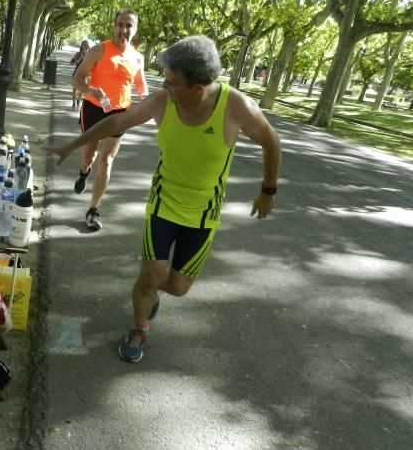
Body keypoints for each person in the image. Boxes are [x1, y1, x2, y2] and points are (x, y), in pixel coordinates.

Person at [49, 36, 281, 363]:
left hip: (203, 215)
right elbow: (118, 121)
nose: (164, 87)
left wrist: (268, 190)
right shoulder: (163, 101)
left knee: (177, 286)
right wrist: (72, 145)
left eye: (171, 83)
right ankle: (140, 326)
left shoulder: (236, 107)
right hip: (163, 204)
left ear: (197, 88)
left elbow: (271, 143)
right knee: (149, 276)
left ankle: (151, 294)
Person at [72, 9, 147, 230]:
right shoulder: (98, 50)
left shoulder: (137, 58)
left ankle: (93, 209)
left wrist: (146, 99)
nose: (123, 30)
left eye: (129, 26)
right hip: (93, 109)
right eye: (120, 24)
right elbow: (77, 78)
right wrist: (90, 90)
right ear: (114, 26)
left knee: (106, 161)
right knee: (89, 156)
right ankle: (83, 172)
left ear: (135, 29)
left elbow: (141, 84)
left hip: (119, 114)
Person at [69, 39, 90, 109]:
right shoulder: (78, 54)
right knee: (74, 88)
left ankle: (78, 99)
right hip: (77, 73)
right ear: (82, 46)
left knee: (82, 90)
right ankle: (74, 102)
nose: (86, 46)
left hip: (85, 74)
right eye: (84, 45)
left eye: (87, 45)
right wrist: (76, 61)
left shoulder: (90, 54)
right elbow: (71, 62)